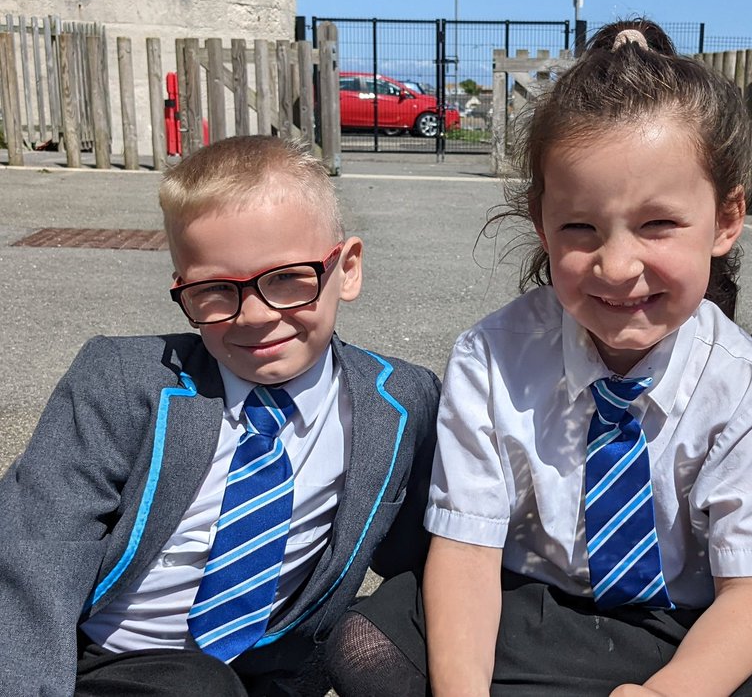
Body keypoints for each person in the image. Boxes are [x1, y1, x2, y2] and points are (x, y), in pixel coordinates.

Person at [324, 20, 752, 696]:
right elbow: (466, 554)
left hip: (685, 625)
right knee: (367, 641)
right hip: (533, 610)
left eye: (658, 225)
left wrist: (667, 693)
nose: (617, 266)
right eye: (580, 227)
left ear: (725, 220)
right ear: (541, 221)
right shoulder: (492, 357)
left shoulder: (743, 384)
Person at [0, 136, 440, 696]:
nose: (254, 316)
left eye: (287, 278)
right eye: (214, 290)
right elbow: (34, 558)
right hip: (104, 663)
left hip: (268, 668)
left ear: (347, 269)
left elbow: (432, 551)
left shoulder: (402, 400)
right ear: (182, 287)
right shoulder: (122, 381)